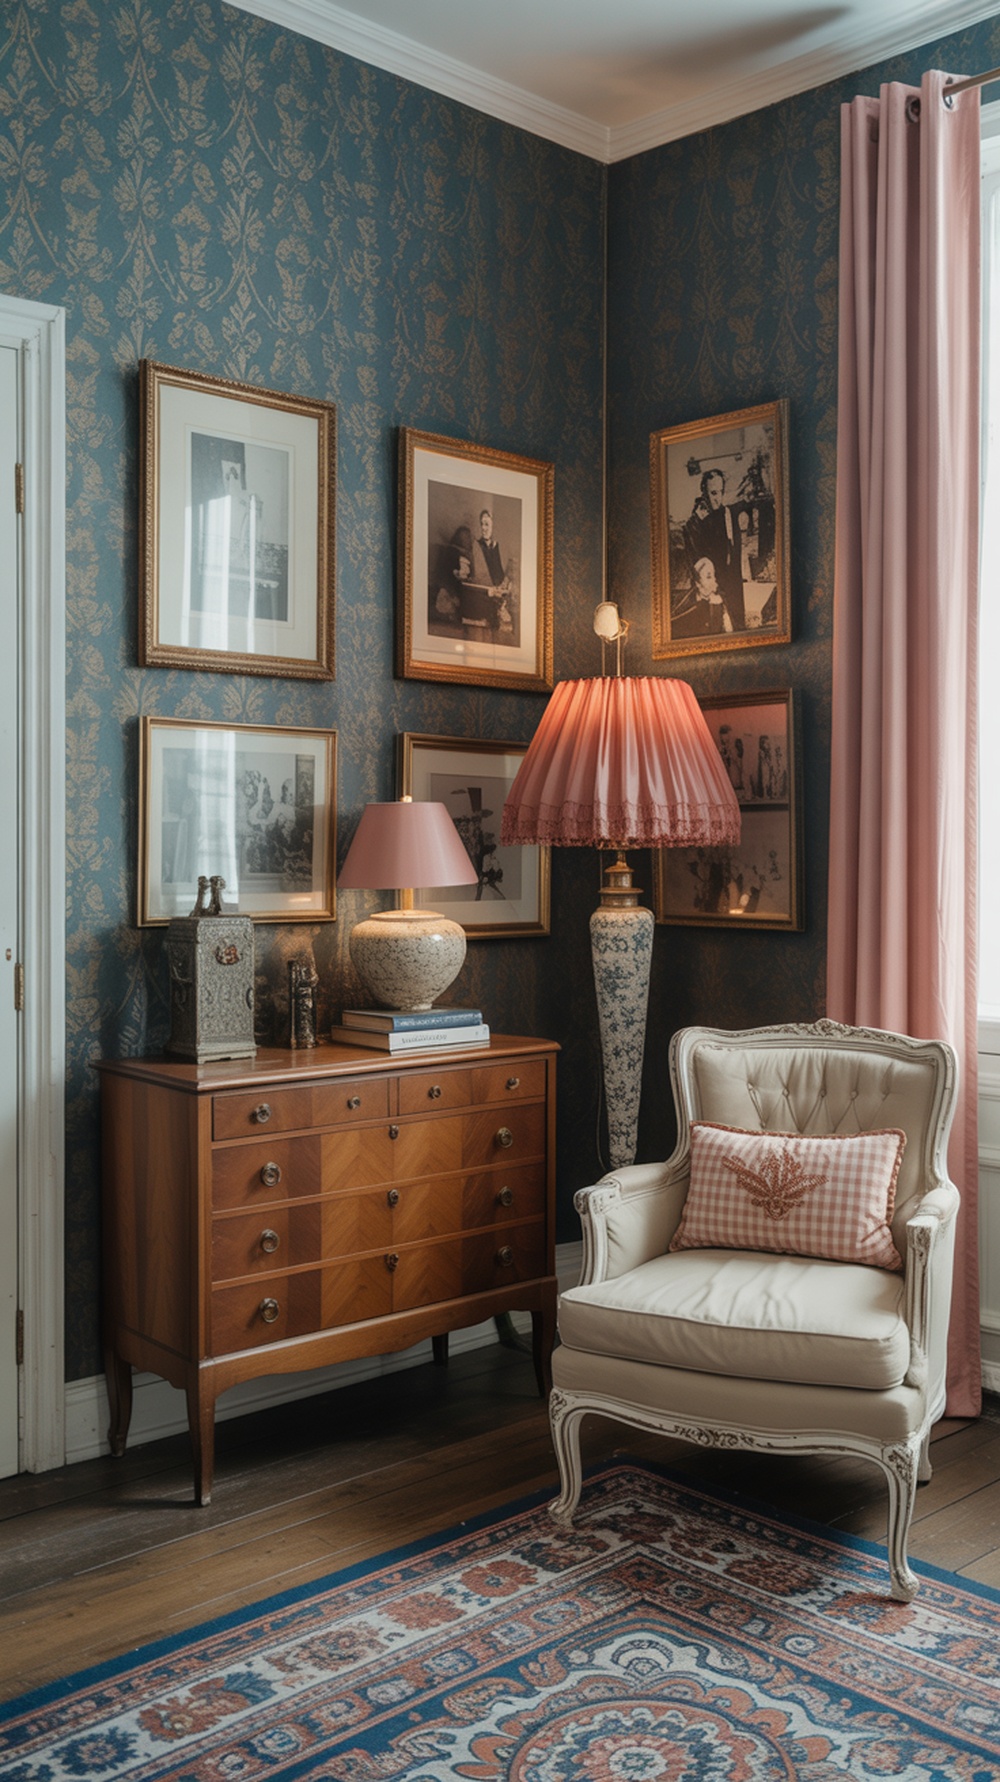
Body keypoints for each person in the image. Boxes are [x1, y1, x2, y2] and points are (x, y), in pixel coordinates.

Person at [684, 468, 745, 633]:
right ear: (704, 492)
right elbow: (696, 563)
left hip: (729, 582)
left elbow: (733, 551)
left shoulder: (726, 514)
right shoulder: (695, 523)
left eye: (721, 492)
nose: (718, 498)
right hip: (709, 587)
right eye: (713, 493)